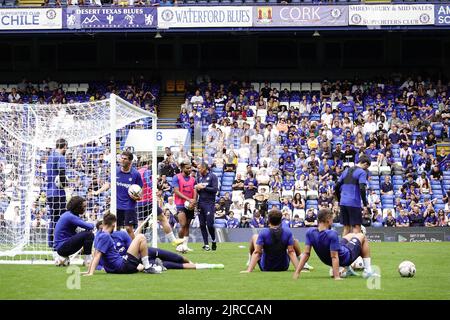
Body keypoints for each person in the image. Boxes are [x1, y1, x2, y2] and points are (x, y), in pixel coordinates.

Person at [95, 220, 224, 271]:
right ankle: (202, 266)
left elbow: (133, 248)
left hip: (142, 253)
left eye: (105, 227)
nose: (105, 230)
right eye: (101, 229)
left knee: (173, 256)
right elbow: (102, 263)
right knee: (171, 265)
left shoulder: (120, 235)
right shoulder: (102, 241)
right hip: (134, 263)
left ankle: (192, 261)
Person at [293, 209, 379, 280]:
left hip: (329, 259)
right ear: (328, 220)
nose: (332, 221)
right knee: (361, 236)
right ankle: (367, 270)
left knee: (351, 235)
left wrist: (297, 273)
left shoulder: (310, 232)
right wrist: (336, 276)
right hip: (346, 257)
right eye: (332, 219)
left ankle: (347, 269)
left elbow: (306, 254)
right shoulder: (332, 233)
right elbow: (334, 256)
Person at [83, 213, 162, 276]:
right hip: (122, 267)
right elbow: (97, 255)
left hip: (112, 269)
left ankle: (149, 266)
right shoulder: (106, 236)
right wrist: (91, 273)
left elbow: (95, 254)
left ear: (103, 223)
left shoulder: (98, 234)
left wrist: (89, 271)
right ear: (113, 225)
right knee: (141, 237)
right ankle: (148, 267)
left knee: (138, 264)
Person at [241, 209, 313, 273]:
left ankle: (250, 261)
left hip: (266, 267)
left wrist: (249, 270)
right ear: (281, 220)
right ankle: (303, 263)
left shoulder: (263, 232)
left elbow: (257, 252)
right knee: (294, 240)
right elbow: (291, 252)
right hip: (283, 266)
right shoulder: (287, 232)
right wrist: (298, 270)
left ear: (268, 220)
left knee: (254, 237)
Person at [334, 154, 371, 236]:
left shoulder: (346, 171)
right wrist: (365, 204)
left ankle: (343, 247)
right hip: (354, 202)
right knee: (356, 227)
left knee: (346, 227)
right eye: (367, 167)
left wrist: (340, 199)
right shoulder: (362, 172)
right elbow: (362, 188)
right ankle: (355, 247)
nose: (366, 169)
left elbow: (336, 186)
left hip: (343, 202)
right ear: (365, 164)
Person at [53, 196, 94, 266]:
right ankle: (88, 260)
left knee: (85, 234)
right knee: (89, 234)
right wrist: (92, 224)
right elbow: (90, 226)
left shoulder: (68, 214)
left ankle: (63, 259)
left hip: (61, 247)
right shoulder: (71, 216)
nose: (85, 208)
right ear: (77, 207)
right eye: (84, 206)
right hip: (62, 247)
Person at [46, 138, 68, 254]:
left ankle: (51, 243)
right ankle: (57, 244)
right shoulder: (60, 157)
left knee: (53, 218)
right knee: (61, 219)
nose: (66, 150)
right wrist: (66, 185)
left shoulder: (50, 157)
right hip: (58, 193)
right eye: (66, 148)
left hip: (49, 192)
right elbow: (62, 172)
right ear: (64, 146)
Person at [116, 151, 143, 240]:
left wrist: (137, 197)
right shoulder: (116, 171)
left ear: (130, 161)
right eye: (121, 158)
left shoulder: (135, 174)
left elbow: (140, 192)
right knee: (116, 228)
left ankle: (134, 249)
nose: (122, 160)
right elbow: (108, 184)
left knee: (128, 229)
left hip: (129, 206)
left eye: (125, 159)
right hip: (116, 205)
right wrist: (98, 191)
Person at [172, 161, 197, 253]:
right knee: (182, 225)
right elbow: (176, 191)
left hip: (190, 205)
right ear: (182, 168)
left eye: (190, 168)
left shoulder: (193, 179)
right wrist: (188, 199)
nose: (189, 169)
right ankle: (179, 245)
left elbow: (195, 191)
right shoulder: (176, 177)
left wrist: (193, 201)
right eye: (187, 168)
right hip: (180, 204)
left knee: (187, 226)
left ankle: (185, 246)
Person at [196, 162, 219, 251]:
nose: (198, 170)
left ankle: (213, 240)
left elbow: (215, 189)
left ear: (204, 168)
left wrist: (203, 187)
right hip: (200, 203)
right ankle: (206, 244)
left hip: (209, 203)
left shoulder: (213, 176)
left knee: (209, 224)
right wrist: (198, 189)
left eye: (199, 168)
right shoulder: (199, 177)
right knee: (202, 224)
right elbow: (199, 191)